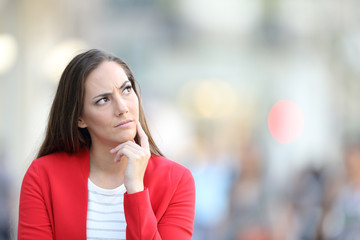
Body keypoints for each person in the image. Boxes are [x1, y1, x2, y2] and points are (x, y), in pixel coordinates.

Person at [18, 49, 196, 240]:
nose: (122, 108)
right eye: (103, 100)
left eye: (126, 89)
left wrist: (136, 189)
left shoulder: (176, 180)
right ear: (79, 118)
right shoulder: (43, 175)